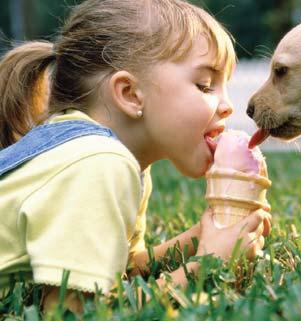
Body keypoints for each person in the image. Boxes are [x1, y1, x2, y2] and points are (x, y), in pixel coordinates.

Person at [0, 0, 271, 314]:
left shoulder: (120, 163)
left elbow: (126, 270)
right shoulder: (98, 162)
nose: (227, 106)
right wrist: (205, 266)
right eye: (205, 85)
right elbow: (73, 312)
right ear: (129, 93)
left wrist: (199, 238)